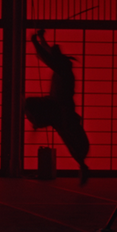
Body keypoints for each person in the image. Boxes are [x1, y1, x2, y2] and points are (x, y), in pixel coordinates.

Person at [25, 29, 91, 185]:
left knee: (69, 136)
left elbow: (47, 57)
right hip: (56, 105)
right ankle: (82, 163)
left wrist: (35, 42)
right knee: (67, 135)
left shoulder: (63, 68)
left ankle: (82, 163)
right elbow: (48, 53)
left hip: (62, 108)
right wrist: (41, 38)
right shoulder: (62, 66)